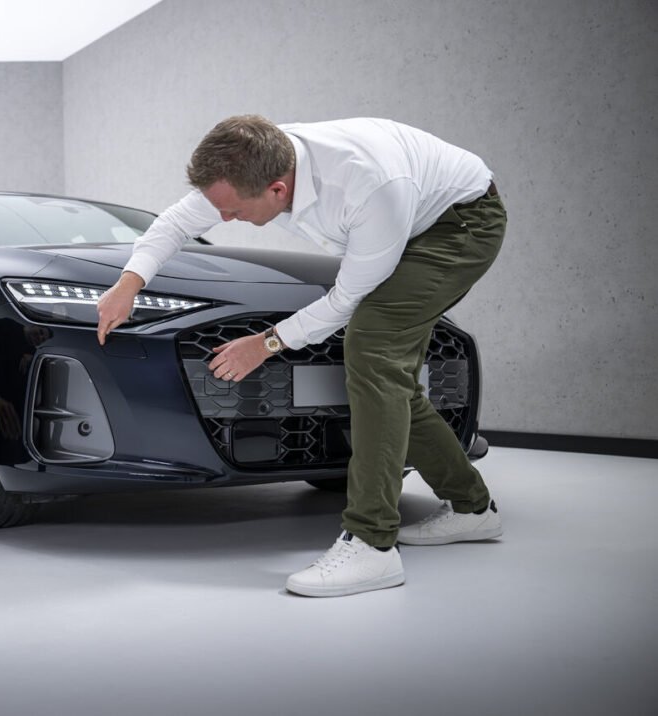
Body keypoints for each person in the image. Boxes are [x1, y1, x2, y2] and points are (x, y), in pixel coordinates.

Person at [96, 115, 506, 597]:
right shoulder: (248, 161)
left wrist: (265, 344)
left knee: (372, 350)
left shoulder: (369, 187)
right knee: (388, 379)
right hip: (406, 216)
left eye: (234, 211)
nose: (224, 219)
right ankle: (471, 507)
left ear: (277, 188)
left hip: (459, 223)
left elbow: (345, 301)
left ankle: (372, 544)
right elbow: (176, 223)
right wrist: (129, 283)